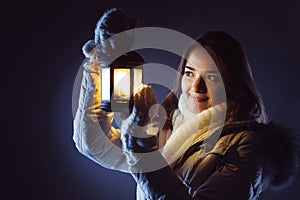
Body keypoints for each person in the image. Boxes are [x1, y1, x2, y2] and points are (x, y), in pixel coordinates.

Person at [73, 8, 299, 200]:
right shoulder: (170, 126)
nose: (196, 86)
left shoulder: (246, 145)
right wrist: (101, 63)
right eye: (190, 73)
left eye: (211, 77)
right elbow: (95, 146)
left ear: (235, 87)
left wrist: (140, 145)